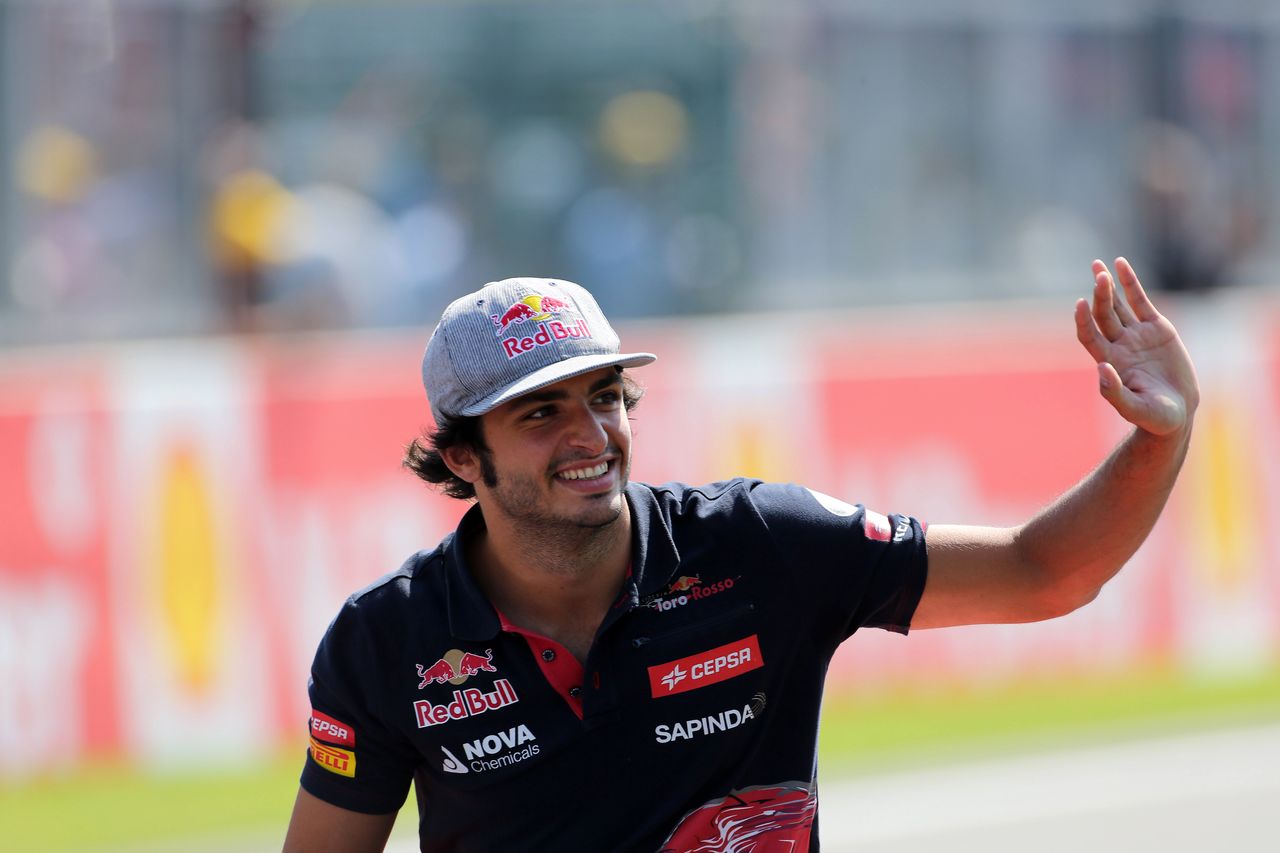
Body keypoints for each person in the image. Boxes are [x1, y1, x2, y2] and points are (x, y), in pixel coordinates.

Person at [282, 259, 1199, 852]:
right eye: (540, 413)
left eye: (605, 396)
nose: (590, 434)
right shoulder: (385, 639)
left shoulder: (761, 546)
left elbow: (1044, 572)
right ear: (460, 456)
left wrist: (1160, 438)